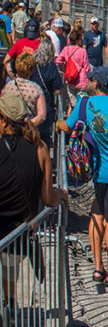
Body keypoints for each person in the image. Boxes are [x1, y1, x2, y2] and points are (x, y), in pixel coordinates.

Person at [57, 68, 108, 287]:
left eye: (91, 79)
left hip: (97, 172)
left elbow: (67, 125)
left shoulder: (84, 104)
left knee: (97, 214)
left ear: (96, 83)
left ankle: (98, 268)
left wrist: (57, 124)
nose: (89, 82)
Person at [0, 95, 67, 240]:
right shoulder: (40, 147)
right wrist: (62, 194)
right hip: (22, 240)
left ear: (4, 121)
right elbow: (48, 198)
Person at [1, 51, 47, 129]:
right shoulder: (36, 88)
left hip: (11, 128)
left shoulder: (8, 86)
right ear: (32, 69)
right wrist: (28, 125)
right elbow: (42, 116)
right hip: (29, 130)